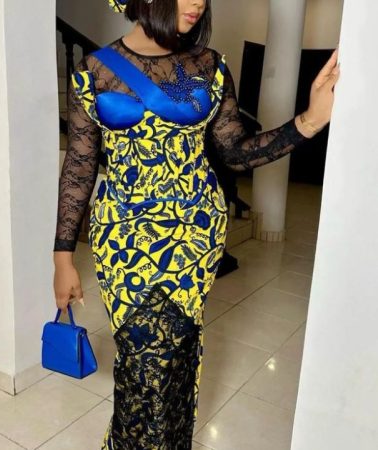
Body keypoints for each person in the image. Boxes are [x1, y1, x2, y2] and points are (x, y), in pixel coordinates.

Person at [53, 0, 340, 448]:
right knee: (140, 361)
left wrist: (309, 122)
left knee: (177, 354)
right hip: (123, 238)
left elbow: (235, 151)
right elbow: (79, 167)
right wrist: (63, 257)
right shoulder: (93, 71)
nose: (199, 3)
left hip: (194, 233)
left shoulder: (209, 66)